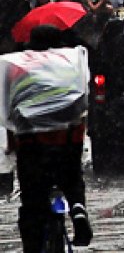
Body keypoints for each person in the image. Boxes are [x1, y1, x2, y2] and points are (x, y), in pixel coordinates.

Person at [3, 25, 92, 251]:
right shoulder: (71, 63)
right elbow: (82, 101)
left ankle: (32, 245)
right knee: (72, 178)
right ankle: (78, 207)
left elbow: (8, 109)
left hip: (32, 146)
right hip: (67, 142)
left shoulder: (17, 68)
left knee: (32, 201)